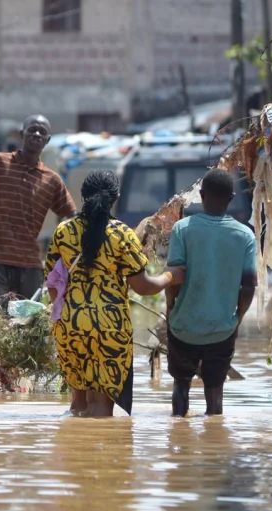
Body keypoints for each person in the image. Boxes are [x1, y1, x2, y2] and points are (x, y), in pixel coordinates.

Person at [45, 170, 184, 417]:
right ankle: (102, 453)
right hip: (110, 326)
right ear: (116, 198)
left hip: (71, 324)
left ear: (83, 196)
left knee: (78, 406)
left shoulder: (63, 231)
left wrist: (66, 314)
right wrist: (171, 275)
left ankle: (76, 451)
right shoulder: (122, 234)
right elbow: (143, 287)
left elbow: (53, 284)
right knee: (101, 410)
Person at [165, 169, 257, 417]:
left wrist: (170, 307)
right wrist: (237, 318)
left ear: (202, 195)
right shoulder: (245, 235)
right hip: (222, 330)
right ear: (232, 197)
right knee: (215, 392)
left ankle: (178, 443)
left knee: (180, 386)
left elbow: (174, 277)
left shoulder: (182, 229)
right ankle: (215, 445)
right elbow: (249, 285)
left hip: (183, 327)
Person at [0, 115, 76, 301]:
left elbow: (71, 217)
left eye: (42, 132)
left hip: (31, 267)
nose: (36, 134)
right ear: (22, 135)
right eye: (32, 130)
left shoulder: (52, 180)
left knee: (26, 323)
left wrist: (61, 257)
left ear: (47, 140)